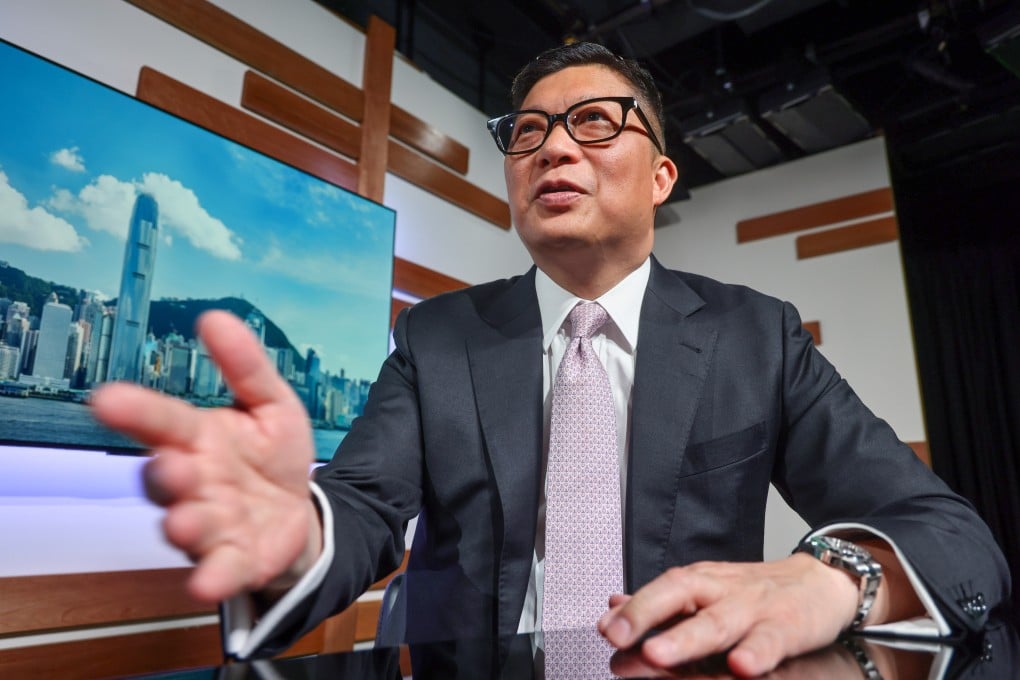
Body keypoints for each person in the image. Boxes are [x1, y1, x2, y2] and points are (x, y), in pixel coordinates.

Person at [91, 42, 1009, 676]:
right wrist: (298, 534)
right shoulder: (437, 335)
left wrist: (833, 577)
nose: (553, 147)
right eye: (526, 132)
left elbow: (950, 534)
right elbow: (364, 505)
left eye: (596, 123)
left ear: (661, 175)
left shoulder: (756, 336)